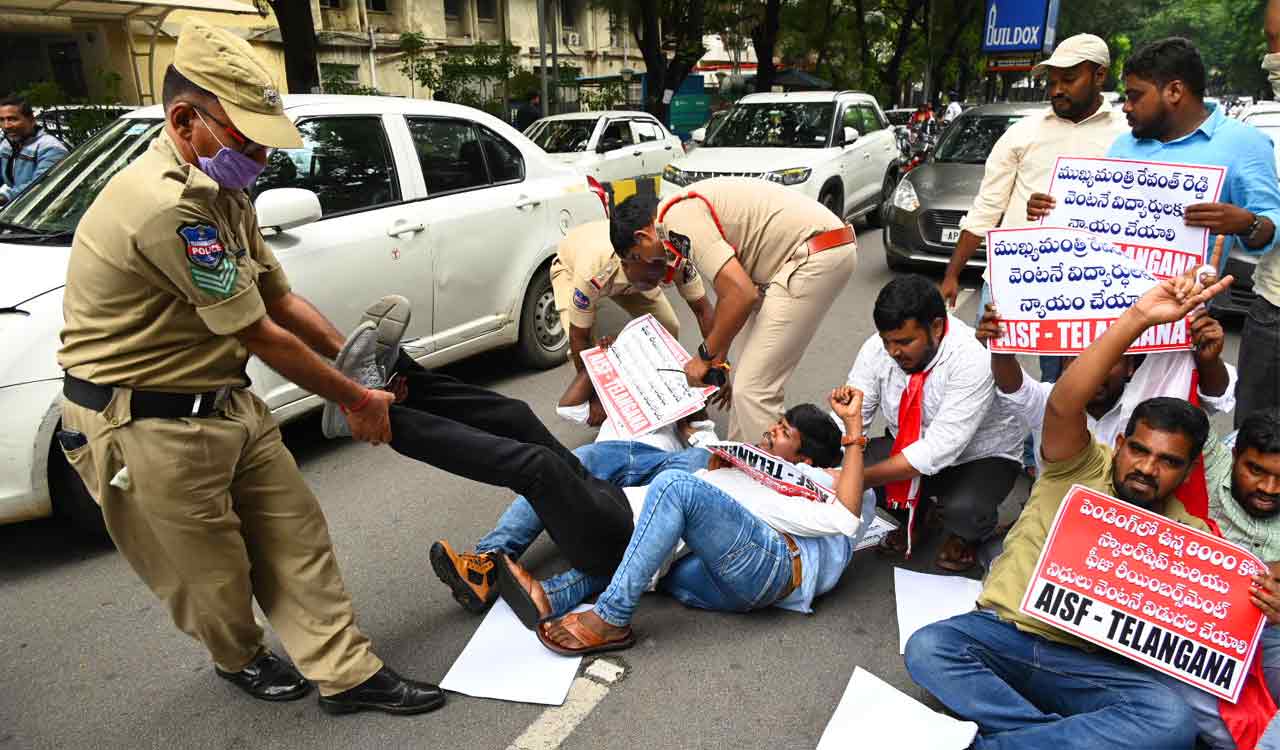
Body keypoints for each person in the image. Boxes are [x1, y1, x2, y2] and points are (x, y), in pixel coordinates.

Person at [55, 24, 441, 716]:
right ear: (185, 120)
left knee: (298, 536)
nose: (261, 158)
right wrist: (356, 400)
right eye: (247, 141)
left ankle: (346, 673)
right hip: (141, 423)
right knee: (210, 578)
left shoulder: (221, 192)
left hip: (227, 402)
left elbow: (279, 298)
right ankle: (239, 656)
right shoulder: (167, 208)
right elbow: (258, 331)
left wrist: (355, 357)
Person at [903, 266, 1235, 750]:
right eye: (1139, 451)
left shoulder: (1188, 537)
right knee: (929, 648)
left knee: (1171, 721)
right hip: (1005, 634)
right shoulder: (1076, 464)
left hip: (1090, 667)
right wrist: (1140, 316)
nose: (1147, 468)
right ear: (1119, 442)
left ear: (1186, 472)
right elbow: (1061, 405)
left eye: (1168, 462)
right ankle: (1057, 739)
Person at [1032, 37, 1280, 427]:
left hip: (1176, 331)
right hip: (1107, 323)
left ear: (1175, 91)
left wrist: (1246, 223)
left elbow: (1272, 227)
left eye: (1134, 96)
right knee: (1081, 425)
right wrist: (1051, 210)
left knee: (1154, 438)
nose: (1125, 107)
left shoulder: (1244, 145)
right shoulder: (1124, 145)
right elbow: (1096, 221)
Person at [530, 386, 874, 655]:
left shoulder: (829, 482)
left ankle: (611, 616)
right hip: (722, 570)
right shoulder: (768, 469)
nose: (771, 432)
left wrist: (854, 431)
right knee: (652, 540)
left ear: (807, 460)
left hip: (767, 567)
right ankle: (554, 594)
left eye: (783, 432)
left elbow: (845, 516)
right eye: (778, 424)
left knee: (676, 487)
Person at [614, 176, 857, 441]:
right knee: (742, 376)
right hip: (800, 256)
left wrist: (704, 356)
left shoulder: (677, 219)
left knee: (754, 390)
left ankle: (772, 479)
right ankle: (739, 461)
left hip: (814, 254)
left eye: (636, 257)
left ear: (642, 236)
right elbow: (728, 294)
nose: (649, 263)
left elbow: (741, 294)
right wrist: (720, 355)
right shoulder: (677, 217)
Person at [941, 33, 1127, 348]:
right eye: (1052, 82)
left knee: (1063, 382)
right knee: (986, 364)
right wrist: (952, 273)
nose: (1057, 90)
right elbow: (988, 206)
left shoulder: (1125, 136)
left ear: (1099, 75)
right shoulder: (1022, 134)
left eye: (1068, 79)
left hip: (1086, 285)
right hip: (1014, 275)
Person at [846, 275, 1023, 572]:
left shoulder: (970, 357)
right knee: (852, 460)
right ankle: (919, 518)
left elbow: (938, 450)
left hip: (979, 458)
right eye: (887, 341)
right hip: (911, 445)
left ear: (937, 327)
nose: (893, 352)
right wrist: (837, 463)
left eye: (904, 342)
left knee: (965, 509)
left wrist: (856, 480)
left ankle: (965, 534)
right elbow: (855, 416)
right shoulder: (877, 349)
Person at [975, 301, 1237, 472]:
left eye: (1109, 361)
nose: (1095, 373)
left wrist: (1209, 361)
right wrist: (1000, 348)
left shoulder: (1148, 410)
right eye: (1079, 360)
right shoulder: (1047, 400)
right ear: (1063, 364)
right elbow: (1012, 388)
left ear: (1131, 368)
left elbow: (1214, 399)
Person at [1154, 409, 1280, 749]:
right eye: (1256, 471)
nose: (1269, 488)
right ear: (1235, 456)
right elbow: (1180, 395)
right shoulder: (1208, 466)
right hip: (1189, 631)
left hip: (1270, 631)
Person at [552, 194, 716, 426]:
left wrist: (718, 364)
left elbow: (702, 309)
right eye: (653, 269)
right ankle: (610, 399)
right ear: (628, 261)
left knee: (668, 326)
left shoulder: (667, 254)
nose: (661, 276)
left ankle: (660, 391)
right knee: (588, 346)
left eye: (663, 267)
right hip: (572, 268)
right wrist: (597, 397)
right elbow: (579, 337)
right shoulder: (593, 270)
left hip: (634, 277)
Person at [0, 95, 68, 206]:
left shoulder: (50, 148)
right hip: (20, 207)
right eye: (2, 120)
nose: (6, 125)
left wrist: (6, 196)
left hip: (45, 210)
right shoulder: (7, 144)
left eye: (12, 119)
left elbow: (40, 185)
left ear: (31, 120)